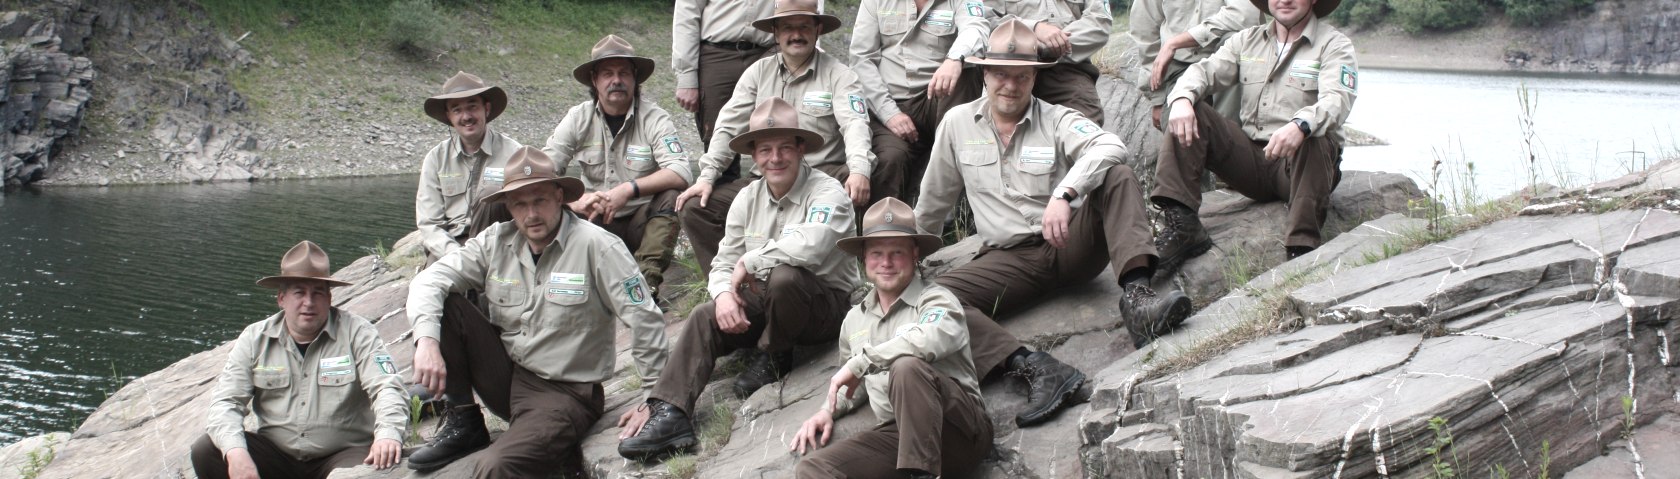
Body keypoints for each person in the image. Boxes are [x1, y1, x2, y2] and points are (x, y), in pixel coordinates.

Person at [915, 19, 1195, 425]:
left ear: (1034, 77)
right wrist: (909, 262)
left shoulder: (1057, 117)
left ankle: (1138, 300)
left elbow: (1110, 144)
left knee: (1116, 174)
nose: (1011, 86)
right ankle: (1037, 367)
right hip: (1008, 260)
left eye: (1022, 76)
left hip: (1069, 245)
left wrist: (1065, 195)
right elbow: (933, 202)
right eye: (1001, 75)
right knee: (933, 301)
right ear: (984, 74)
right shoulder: (957, 125)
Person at [618, 98, 860, 460]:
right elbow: (723, 263)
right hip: (771, 302)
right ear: (754, 155)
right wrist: (723, 297)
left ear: (801, 148)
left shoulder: (828, 192)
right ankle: (670, 414)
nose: (774, 158)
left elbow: (813, 245)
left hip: (825, 307)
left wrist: (752, 259)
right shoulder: (747, 197)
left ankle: (775, 355)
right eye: (765, 150)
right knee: (705, 314)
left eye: (783, 148)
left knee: (785, 277)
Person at [404, 146, 669, 477]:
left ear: (559, 197)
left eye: (539, 200)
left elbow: (644, 318)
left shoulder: (597, 246)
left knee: (494, 467)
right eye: (520, 204)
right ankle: (464, 420)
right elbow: (428, 281)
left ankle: (534, 441)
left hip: (564, 393)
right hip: (507, 376)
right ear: (509, 207)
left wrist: (655, 399)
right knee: (446, 303)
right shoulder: (496, 242)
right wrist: (426, 341)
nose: (531, 213)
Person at [678, 0, 893, 277]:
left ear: (817, 30)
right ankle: (729, 285)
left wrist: (860, 169)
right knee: (696, 208)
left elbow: (855, 124)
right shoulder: (756, 73)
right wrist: (706, 176)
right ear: (776, 34)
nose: (796, 34)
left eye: (804, 26)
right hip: (767, 179)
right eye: (788, 27)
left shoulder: (840, 74)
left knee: (862, 181)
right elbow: (727, 126)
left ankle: (841, 275)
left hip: (822, 177)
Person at [789, 198, 992, 479]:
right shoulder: (854, 321)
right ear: (863, 258)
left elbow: (930, 339)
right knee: (814, 469)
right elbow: (854, 385)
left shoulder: (937, 300)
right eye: (876, 253)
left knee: (906, 366)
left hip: (958, 429)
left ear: (915, 254)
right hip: (899, 436)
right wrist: (828, 410)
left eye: (897, 252)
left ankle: (920, 474)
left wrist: (863, 361)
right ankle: (915, 471)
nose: (886, 262)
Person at [1151, 0, 1358, 274]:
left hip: (1300, 164)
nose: (1284, 0)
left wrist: (1300, 125)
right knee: (1193, 110)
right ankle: (1183, 224)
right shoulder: (1247, 40)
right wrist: (1180, 99)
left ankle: (1301, 249)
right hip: (1253, 161)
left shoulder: (1334, 44)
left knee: (1317, 137)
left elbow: (1337, 100)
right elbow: (1204, 71)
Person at [191, 241, 407, 479]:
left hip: (343, 453)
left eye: (317, 293)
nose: (309, 302)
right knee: (206, 451)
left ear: (329, 298)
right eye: (299, 292)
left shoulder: (358, 332)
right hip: (278, 456)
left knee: (357, 475)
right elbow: (225, 402)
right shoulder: (254, 338)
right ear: (281, 299)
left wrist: (387, 434)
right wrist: (235, 452)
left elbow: (387, 387)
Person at [544, 34, 693, 299]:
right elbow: (545, 171)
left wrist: (629, 189)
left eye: (624, 73)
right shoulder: (577, 118)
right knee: (551, 204)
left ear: (635, 79)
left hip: (640, 224)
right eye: (608, 74)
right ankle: (574, 286)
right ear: (594, 80)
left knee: (673, 197)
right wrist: (574, 201)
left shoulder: (654, 118)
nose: (616, 80)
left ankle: (647, 284)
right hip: (593, 222)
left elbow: (681, 170)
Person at [849, 0, 991, 194]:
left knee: (968, 73)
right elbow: (861, 58)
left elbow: (976, 27)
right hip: (892, 103)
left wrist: (955, 58)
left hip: (940, 95)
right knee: (891, 157)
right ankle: (887, 220)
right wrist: (889, 113)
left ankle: (948, 203)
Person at [416, 71, 521, 262]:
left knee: (491, 193)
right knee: (430, 288)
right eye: (457, 110)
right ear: (449, 116)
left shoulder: (515, 153)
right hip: (450, 246)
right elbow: (430, 223)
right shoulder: (435, 159)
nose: (466, 116)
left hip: (499, 244)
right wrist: (456, 255)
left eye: (472, 107)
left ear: (486, 109)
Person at [1130, 0, 1262, 129]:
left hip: (1230, 62)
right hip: (1180, 65)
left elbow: (1244, 16)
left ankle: (1230, 135)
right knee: (1178, 127)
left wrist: (1176, 42)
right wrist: (1157, 98)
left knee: (1236, 41)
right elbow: (1145, 31)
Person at [672, 0, 776, 151]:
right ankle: (716, 174)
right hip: (716, 54)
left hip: (768, 53)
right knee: (716, 136)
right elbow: (687, 12)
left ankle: (767, 174)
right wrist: (687, 76)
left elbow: (805, 8)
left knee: (774, 130)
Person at [988, 0, 1113, 125]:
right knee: (994, 125)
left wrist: (1052, 45)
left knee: (1085, 125)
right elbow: (985, 18)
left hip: (1066, 70)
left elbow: (1099, 22)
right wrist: (1033, 29)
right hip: (1008, 65)